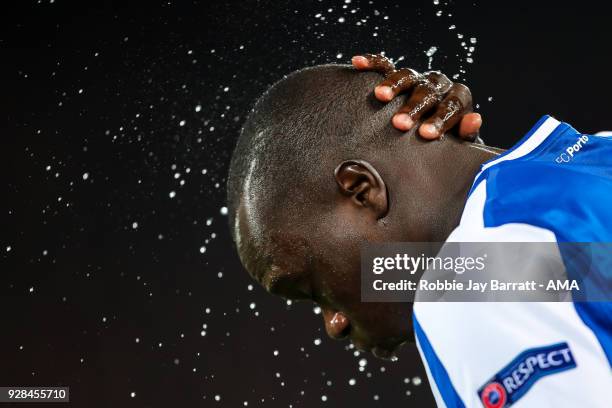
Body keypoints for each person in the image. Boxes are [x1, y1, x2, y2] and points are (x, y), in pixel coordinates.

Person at [227, 54, 611, 407]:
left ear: (362, 190)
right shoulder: (596, 158)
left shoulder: (472, 282)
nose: (334, 324)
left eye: (313, 288)